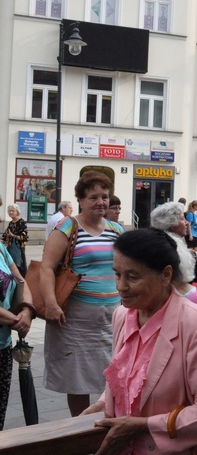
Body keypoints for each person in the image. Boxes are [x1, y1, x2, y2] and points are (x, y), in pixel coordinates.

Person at [80, 228, 197, 455]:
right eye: (117, 274)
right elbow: (127, 376)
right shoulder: (123, 315)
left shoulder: (196, 323)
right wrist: (104, 404)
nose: (121, 286)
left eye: (133, 277)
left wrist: (144, 426)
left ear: (166, 275)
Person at [40, 171, 124, 423]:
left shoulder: (116, 230)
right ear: (81, 199)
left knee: (113, 377)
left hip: (111, 319)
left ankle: (107, 430)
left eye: (105, 197)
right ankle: (79, 440)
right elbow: (46, 267)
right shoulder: (67, 227)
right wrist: (51, 304)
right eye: (93, 197)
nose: (100, 202)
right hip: (74, 320)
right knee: (77, 381)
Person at [0, 235, 34, 430]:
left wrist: (27, 311)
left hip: (3, 345)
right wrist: (16, 320)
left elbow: (21, 281)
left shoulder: (1, 249)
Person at [150, 202, 197, 309]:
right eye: (182, 219)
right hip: (182, 306)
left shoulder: (152, 247)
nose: (186, 223)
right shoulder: (178, 252)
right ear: (172, 226)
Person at [3, 204, 28, 276]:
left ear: (17, 211)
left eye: (12, 211)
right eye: (9, 211)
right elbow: (5, 236)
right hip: (10, 248)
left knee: (19, 266)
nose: (10, 212)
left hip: (19, 248)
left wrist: (13, 235)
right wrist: (7, 236)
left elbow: (25, 237)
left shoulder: (22, 222)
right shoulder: (11, 223)